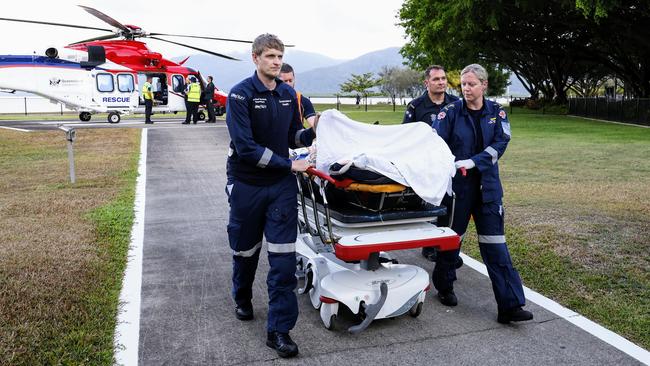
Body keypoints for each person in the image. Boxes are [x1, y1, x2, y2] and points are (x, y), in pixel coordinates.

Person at [225, 33, 317, 358]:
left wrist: (316, 131)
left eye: (280, 56)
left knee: (282, 261)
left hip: (280, 187)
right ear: (256, 58)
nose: (276, 62)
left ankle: (279, 331)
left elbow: (293, 135)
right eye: (270, 57)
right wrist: (290, 164)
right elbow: (245, 148)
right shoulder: (239, 96)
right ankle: (242, 296)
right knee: (245, 252)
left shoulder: (289, 93)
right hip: (247, 184)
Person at [431, 63, 533, 324]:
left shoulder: (496, 113)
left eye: (472, 84)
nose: (466, 88)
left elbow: (501, 143)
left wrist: (474, 162)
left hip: (488, 188)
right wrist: (451, 164)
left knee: (496, 246)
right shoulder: (450, 113)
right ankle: (444, 286)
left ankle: (509, 306)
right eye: (464, 84)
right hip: (459, 190)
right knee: (452, 241)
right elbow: (436, 145)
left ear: (484, 85)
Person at [403, 65, 459, 261]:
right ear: (426, 83)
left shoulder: (456, 103)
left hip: (449, 162)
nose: (441, 82)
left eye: (443, 78)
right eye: (436, 79)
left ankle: (442, 246)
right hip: (426, 164)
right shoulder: (416, 106)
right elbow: (406, 135)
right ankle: (428, 245)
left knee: (448, 205)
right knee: (427, 205)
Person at [279, 63, 317, 127]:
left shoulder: (302, 101)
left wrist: (319, 122)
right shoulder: (268, 99)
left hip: (296, 135)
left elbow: (313, 123)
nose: (288, 84)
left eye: (290, 80)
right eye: (285, 81)